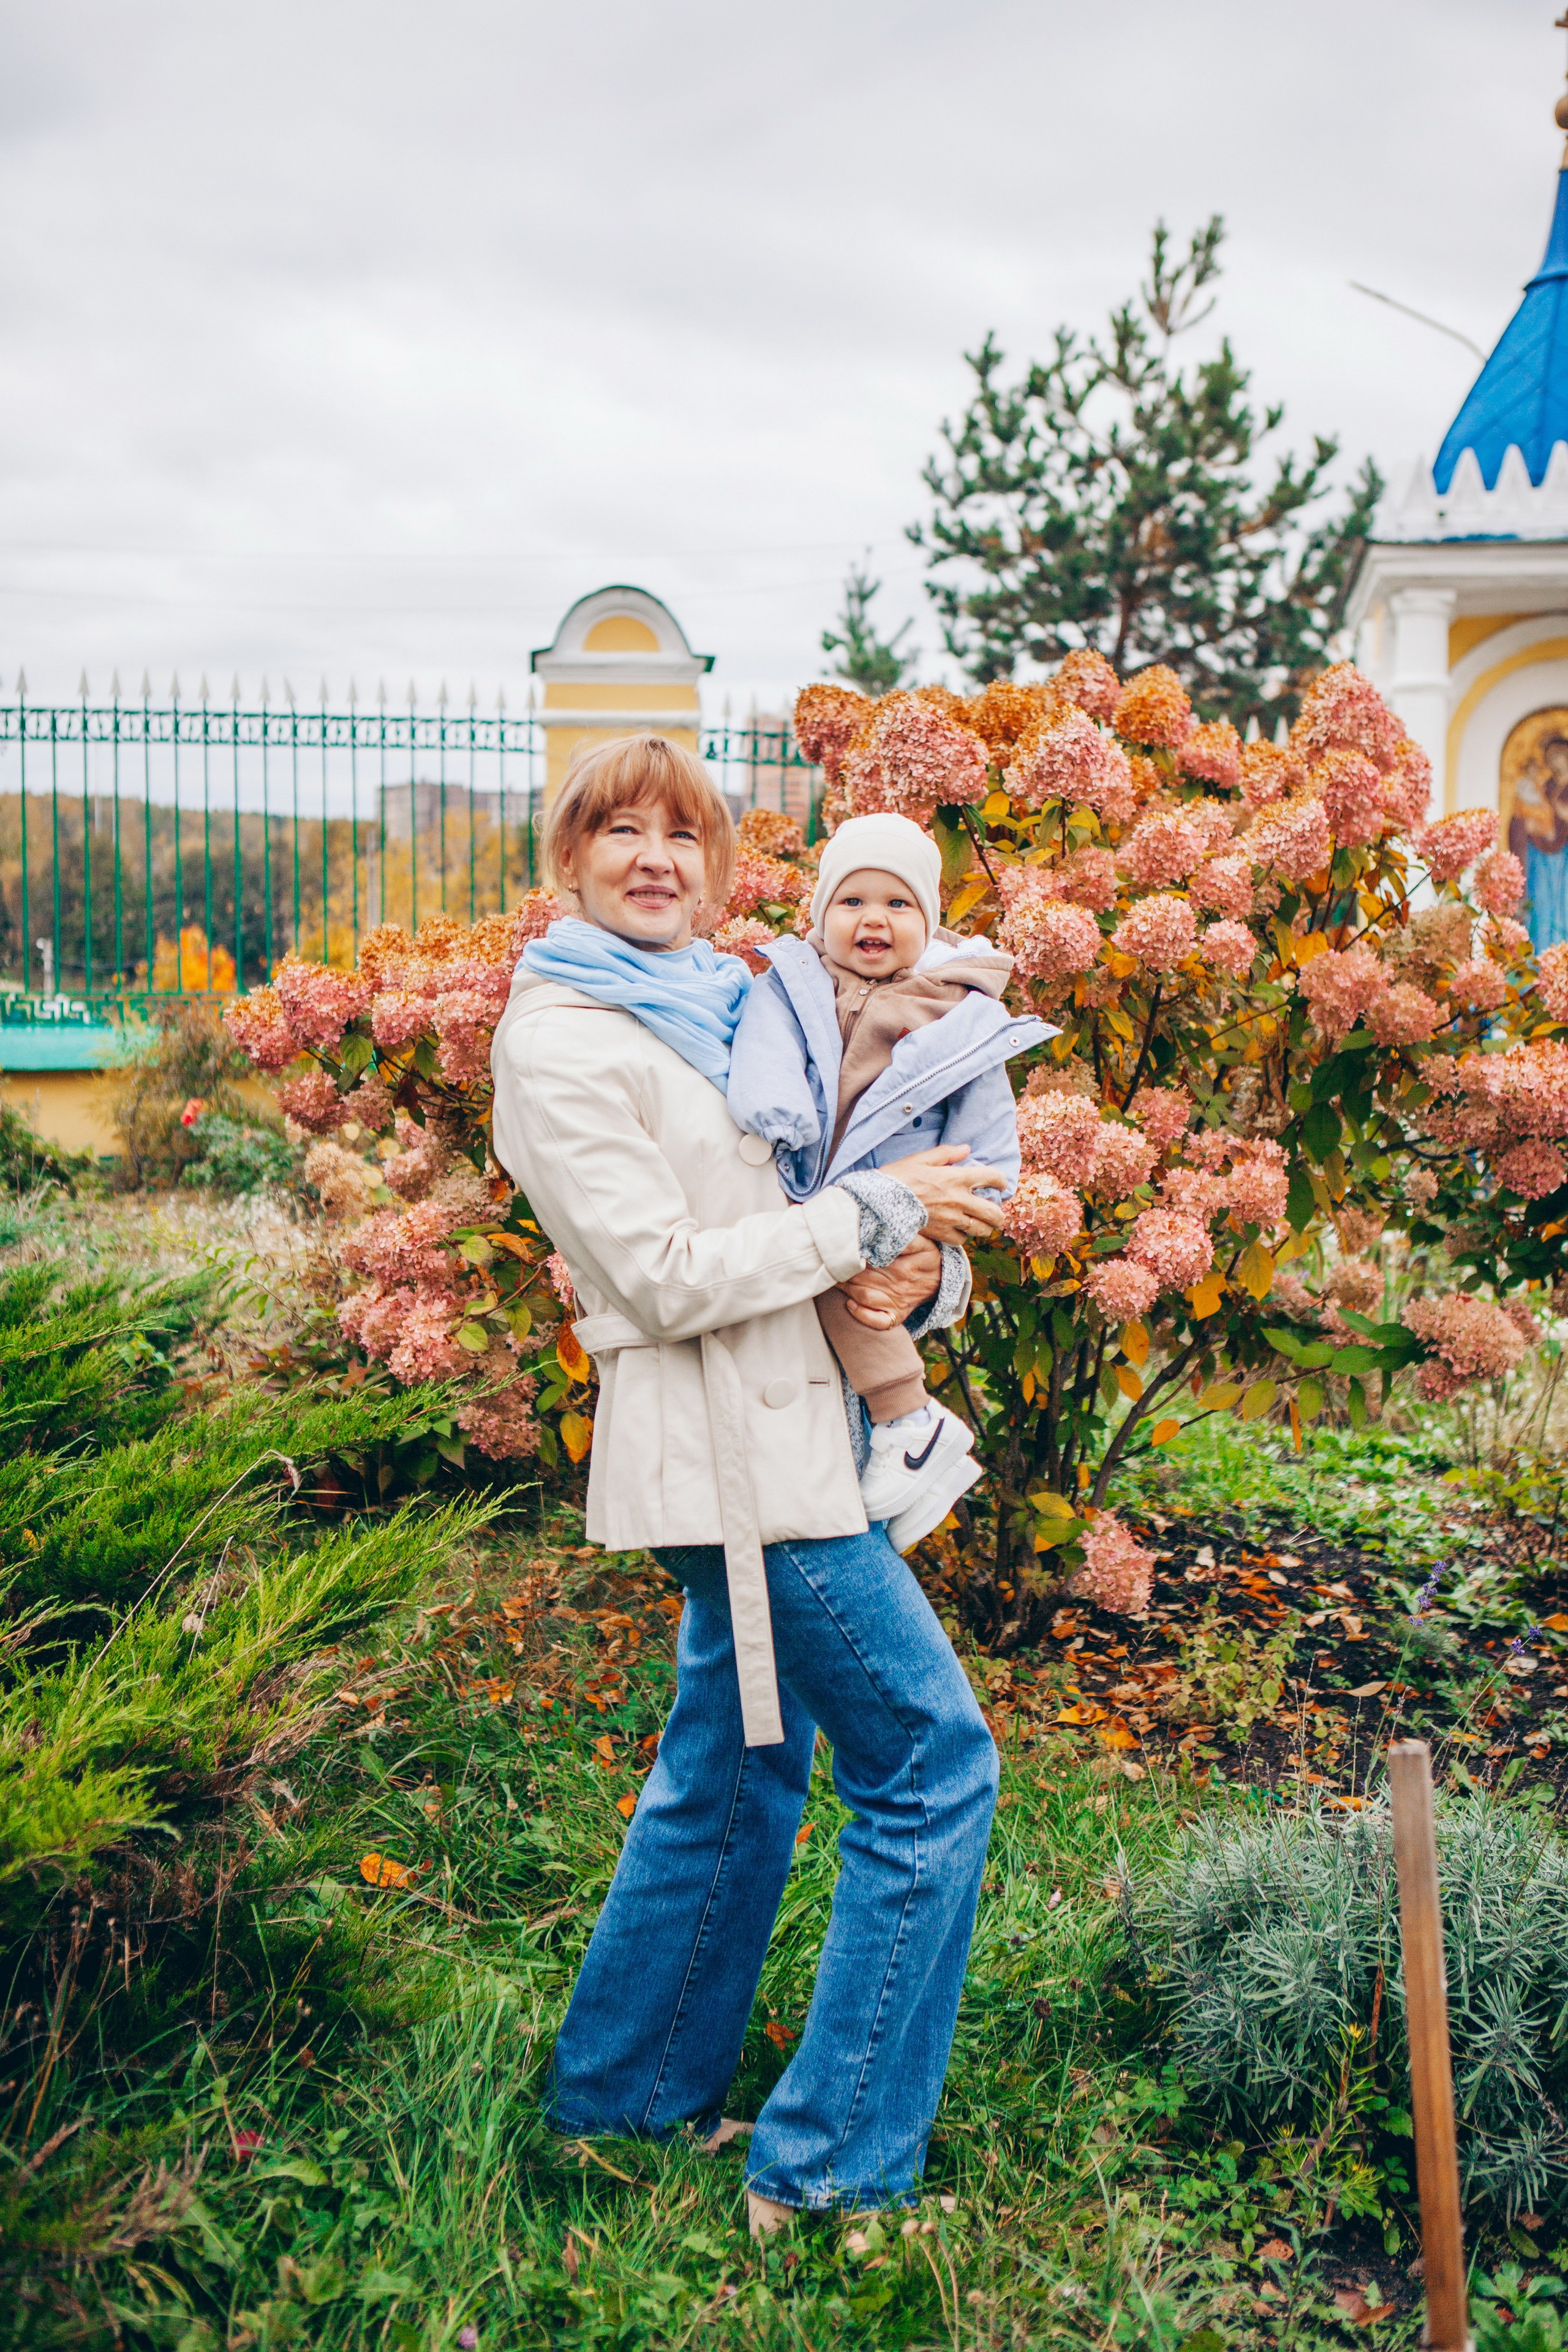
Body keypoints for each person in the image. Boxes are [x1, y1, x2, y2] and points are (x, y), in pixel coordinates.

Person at [489, 734, 1005, 2235]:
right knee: (930, 1762)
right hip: (733, 1464)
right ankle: (830, 2169)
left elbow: (835, 1195)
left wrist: (915, 1267)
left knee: (737, 1764)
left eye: (683, 835)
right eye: (619, 832)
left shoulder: (728, 1005)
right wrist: (870, 1217)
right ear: (568, 860)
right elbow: (663, 1274)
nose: (654, 859)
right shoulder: (563, 1039)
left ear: (717, 865)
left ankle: (621, 2099)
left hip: (797, 1434)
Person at [727, 810, 1048, 1550]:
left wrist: (974, 1193)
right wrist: (775, 1110)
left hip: (901, 1201)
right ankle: (906, 1435)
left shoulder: (957, 1010)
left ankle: (907, 1424)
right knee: (832, 1281)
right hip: (809, 1182)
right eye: (852, 901)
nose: (873, 919)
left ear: (927, 921)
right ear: (821, 915)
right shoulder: (793, 983)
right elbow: (766, 1047)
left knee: (856, 1288)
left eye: (897, 903)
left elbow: (984, 1115)